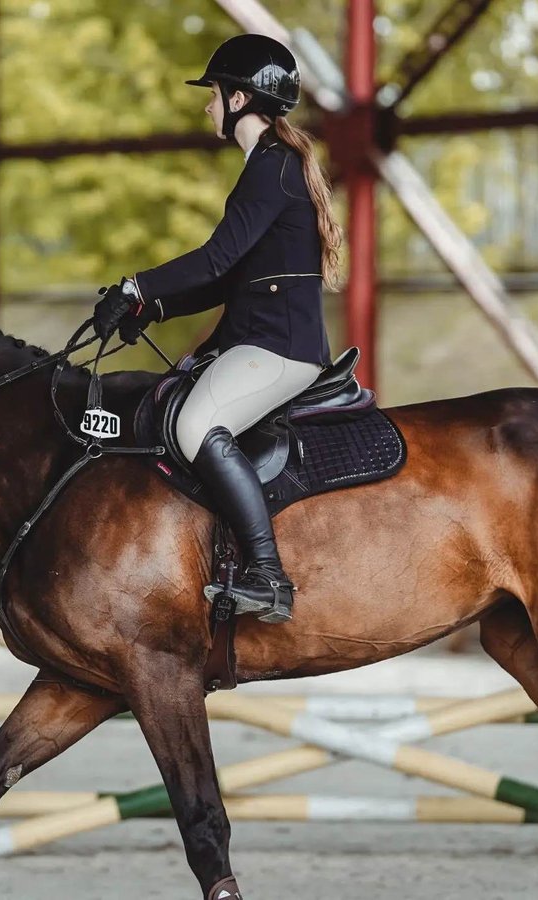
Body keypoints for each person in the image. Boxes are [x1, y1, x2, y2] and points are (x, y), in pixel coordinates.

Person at [93, 33, 344, 625]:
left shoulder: (272, 169)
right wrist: (148, 310)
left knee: (196, 423)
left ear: (237, 99)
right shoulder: (271, 167)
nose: (207, 105)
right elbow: (227, 279)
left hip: (279, 349)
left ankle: (267, 575)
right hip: (258, 341)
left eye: (213, 94)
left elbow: (214, 259)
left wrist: (136, 286)